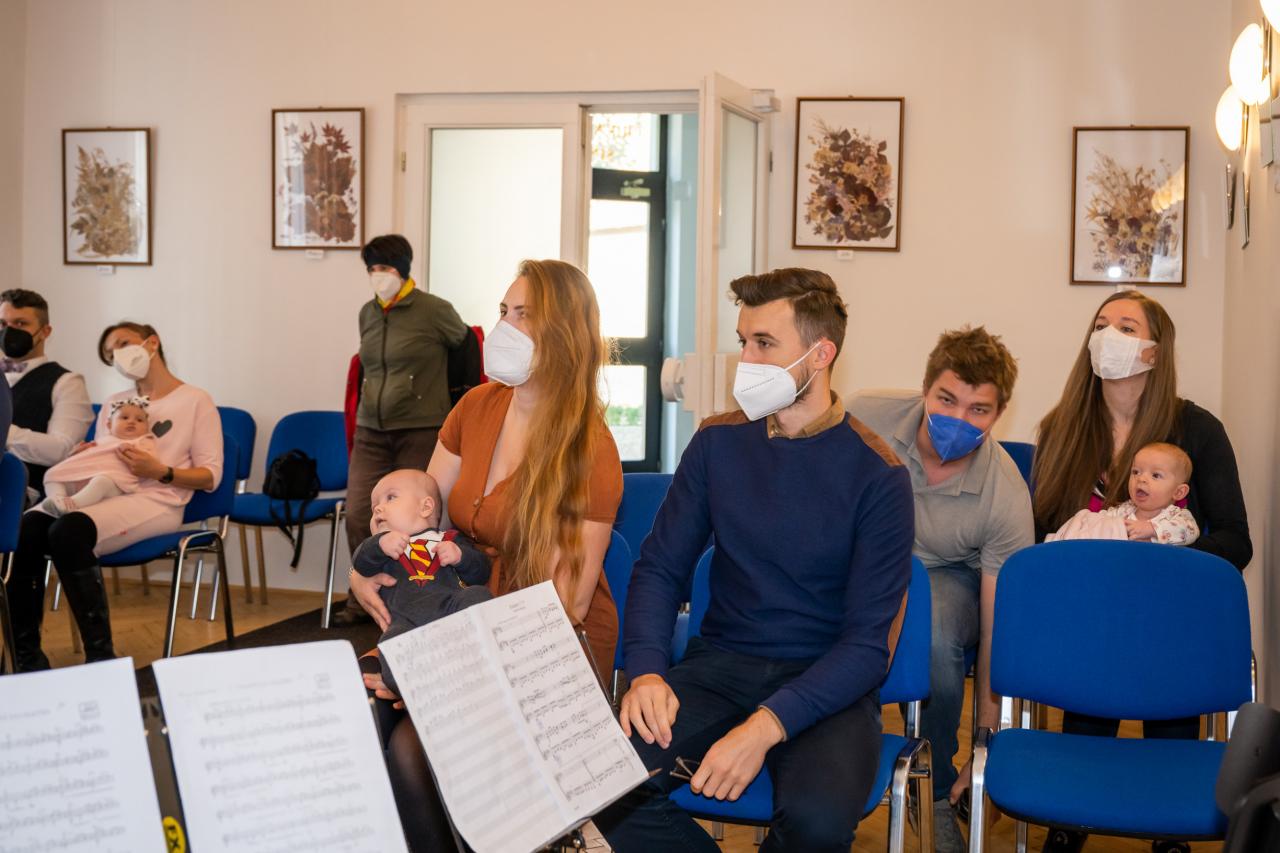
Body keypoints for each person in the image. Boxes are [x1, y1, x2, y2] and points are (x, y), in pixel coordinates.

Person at [595, 268, 914, 853]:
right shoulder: (717, 442)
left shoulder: (879, 475)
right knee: (601, 783)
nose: (746, 359)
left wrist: (765, 726)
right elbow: (660, 567)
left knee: (817, 824)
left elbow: (868, 647)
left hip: (827, 682)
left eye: (764, 344)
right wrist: (645, 671)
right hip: (721, 665)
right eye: (743, 341)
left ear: (821, 354)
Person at [348, 259, 623, 848]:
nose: (504, 326)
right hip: (455, 608)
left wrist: (436, 667)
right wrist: (363, 572)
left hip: (539, 641)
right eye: (503, 311)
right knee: (364, 719)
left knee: (415, 752)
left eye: (524, 314)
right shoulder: (476, 406)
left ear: (564, 332)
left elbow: (567, 605)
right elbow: (420, 512)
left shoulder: (590, 447)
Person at [1032, 290, 1252, 853]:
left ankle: (1169, 828)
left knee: (1166, 667)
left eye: (1127, 328)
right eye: (1101, 324)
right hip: (1088, 615)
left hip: (1169, 616)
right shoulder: (1061, 428)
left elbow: (1235, 540)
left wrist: (1167, 560)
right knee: (1089, 663)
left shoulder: (1197, 430)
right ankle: (1069, 818)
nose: (1108, 336)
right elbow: (1040, 533)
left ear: (1155, 351)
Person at [847, 325, 1032, 852]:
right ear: (925, 389)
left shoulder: (1005, 495)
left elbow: (998, 625)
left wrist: (984, 744)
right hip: (866, 561)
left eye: (979, 409)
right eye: (946, 400)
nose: (958, 419)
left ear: (999, 414)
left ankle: (932, 790)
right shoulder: (864, 416)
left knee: (935, 628)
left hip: (950, 575)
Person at [6, 321, 223, 671]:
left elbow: (210, 475)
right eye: (110, 353)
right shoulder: (114, 403)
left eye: (123, 343)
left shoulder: (195, 400)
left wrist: (160, 471)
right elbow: (103, 459)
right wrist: (80, 456)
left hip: (159, 500)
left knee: (68, 531)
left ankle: (101, 660)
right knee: (26, 529)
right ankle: (26, 657)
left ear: (152, 343)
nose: (117, 355)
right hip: (107, 494)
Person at [334, 234, 471, 626]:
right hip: (371, 429)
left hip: (420, 427)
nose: (378, 274)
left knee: (417, 514)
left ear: (403, 269)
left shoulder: (434, 310)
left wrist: (459, 401)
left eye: (385, 267)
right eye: (372, 268)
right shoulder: (368, 313)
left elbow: (465, 347)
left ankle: (420, 593)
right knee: (360, 513)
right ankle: (365, 592)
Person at [352, 468, 491, 694]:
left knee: (477, 595)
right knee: (391, 647)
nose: (378, 508)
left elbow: (481, 571)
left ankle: (475, 661)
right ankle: (423, 689)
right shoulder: (380, 549)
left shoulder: (450, 539)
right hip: (406, 624)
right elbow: (361, 563)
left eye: (390, 497)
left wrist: (461, 557)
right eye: (373, 506)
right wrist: (378, 544)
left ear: (425, 507)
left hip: (453, 613)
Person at [0, 289, 95, 499]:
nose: (9, 331)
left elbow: (62, 449)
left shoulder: (67, 382)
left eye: (20, 323)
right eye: (3, 324)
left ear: (45, 332)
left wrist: (5, 431)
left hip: (22, 489)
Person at [1046, 442, 1198, 544]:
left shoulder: (1176, 516)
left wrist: (1152, 529)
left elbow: (1190, 532)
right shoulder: (1125, 510)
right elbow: (1102, 523)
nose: (1141, 479)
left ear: (1179, 492)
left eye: (1155, 475)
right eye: (1136, 472)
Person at [35, 396, 158, 517]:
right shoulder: (102, 440)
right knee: (53, 474)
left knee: (101, 481)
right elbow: (89, 458)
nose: (131, 422)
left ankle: (74, 503)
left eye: (139, 420)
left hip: (116, 483)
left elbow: (149, 460)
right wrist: (78, 454)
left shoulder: (142, 441)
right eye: (124, 417)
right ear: (109, 425)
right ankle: (57, 498)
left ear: (147, 428)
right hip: (84, 477)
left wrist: (134, 451)